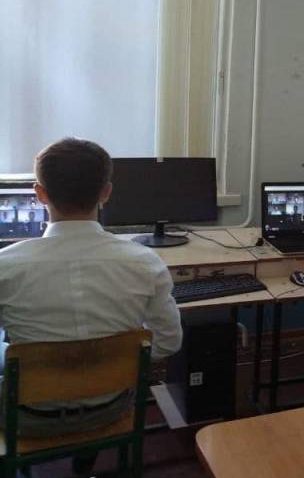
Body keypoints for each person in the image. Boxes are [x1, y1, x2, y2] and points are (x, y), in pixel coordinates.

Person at [0, 138, 182, 440]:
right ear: (106, 193)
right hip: (111, 408)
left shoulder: (5, 266)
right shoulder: (145, 262)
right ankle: (91, 456)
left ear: (40, 194)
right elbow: (168, 343)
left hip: (27, 416)